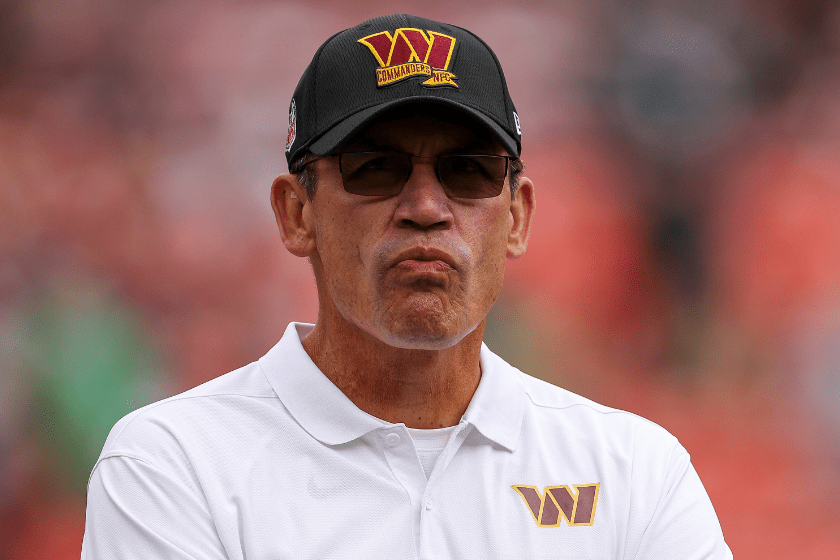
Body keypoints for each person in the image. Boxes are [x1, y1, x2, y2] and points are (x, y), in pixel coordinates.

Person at [81, 13, 732, 559]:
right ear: (296, 214)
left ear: (518, 217)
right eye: (376, 167)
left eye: (469, 170)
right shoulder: (173, 466)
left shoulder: (634, 472)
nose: (426, 205)